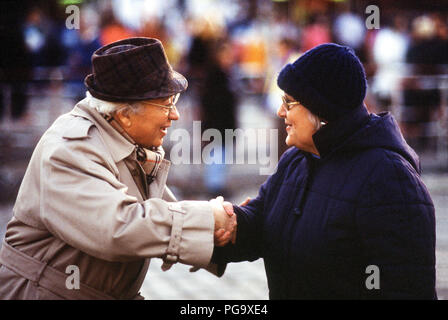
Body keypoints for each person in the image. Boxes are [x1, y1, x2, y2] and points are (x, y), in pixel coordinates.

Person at [0, 37, 235, 300]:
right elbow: (119, 227)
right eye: (167, 104)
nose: (175, 114)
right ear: (125, 114)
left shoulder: (120, 137)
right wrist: (208, 218)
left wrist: (232, 227)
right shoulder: (70, 147)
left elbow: (163, 208)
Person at [213, 43, 436, 299]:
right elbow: (264, 221)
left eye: (288, 101)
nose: (280, 111)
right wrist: (222, 223)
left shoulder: (389, 177)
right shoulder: (297, 159)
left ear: (321, 108)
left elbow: (407, 287)